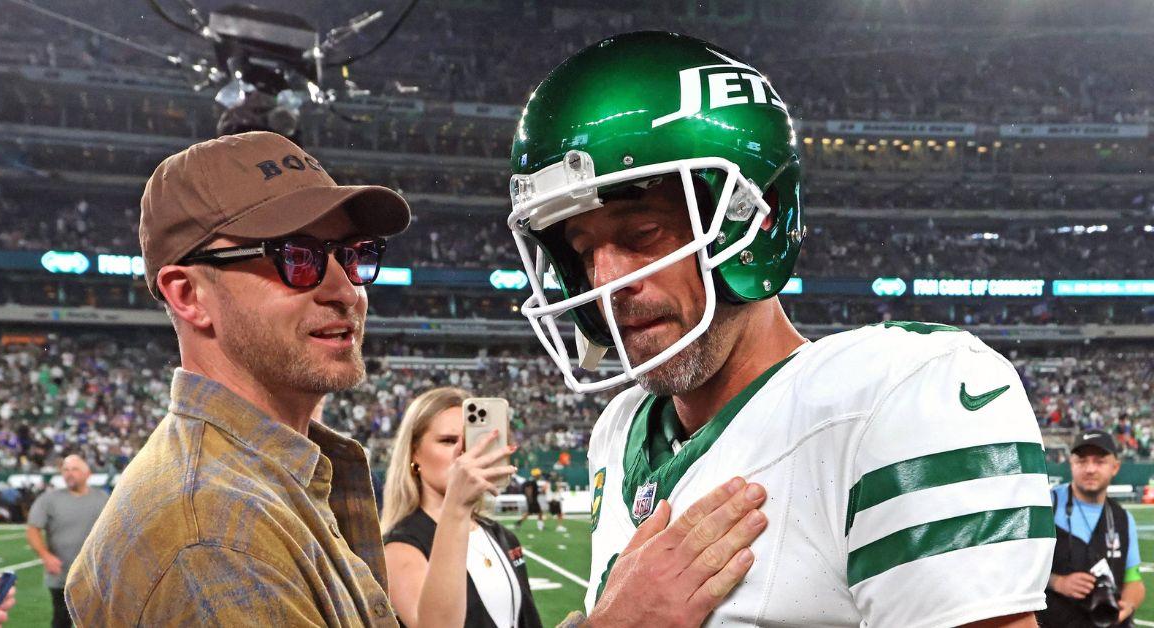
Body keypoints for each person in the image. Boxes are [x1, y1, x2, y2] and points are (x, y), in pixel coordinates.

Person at [506, 31, 1054, 626]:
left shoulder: (898, 397)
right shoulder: (619, 430)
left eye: (643, 236)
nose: (607, 280)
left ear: (754, 222)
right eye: (583, 250)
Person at [65, 131, 412, 626]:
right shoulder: (215, 538)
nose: (346, 289)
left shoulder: (253, 483)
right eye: (296, 256)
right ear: (188, 295)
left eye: (350, 254)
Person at [380, 387, 540, 628]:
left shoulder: (502, 535)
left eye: (470, 442)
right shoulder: (400, 546)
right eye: (448, 441)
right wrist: (457, 506)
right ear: (414, 452)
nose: (463, 454)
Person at [1040, 430, 1145, 627]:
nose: (1090, 469)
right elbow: (1018, 569)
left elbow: (1134, 581)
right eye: (1081, 461)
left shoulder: (1123, 518)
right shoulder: (1046, 506)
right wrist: (1057, 582)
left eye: (1099, 461)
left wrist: (1127, 606)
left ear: (1115, 467)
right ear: (1071, 464)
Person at [25, 454, 108, 628]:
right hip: (61, 575)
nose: (69, 474)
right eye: (66, 470)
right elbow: (33, 529)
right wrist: (45, 556)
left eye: (75, 469)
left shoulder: (102, 499)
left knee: (97, 621)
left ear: (88, 474)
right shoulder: (48, 500)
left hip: (94, 574)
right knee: (61, 620)